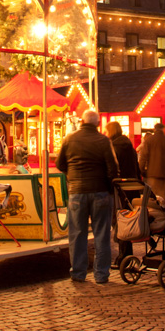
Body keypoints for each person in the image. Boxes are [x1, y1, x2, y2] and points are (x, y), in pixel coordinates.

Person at [56, 109, 119, 283]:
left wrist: (72, 176)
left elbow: (59, 163)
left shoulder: (69, 139)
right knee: (101, 234)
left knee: (77, 233)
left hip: (77, 192)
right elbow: (113, 168)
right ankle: (101, 274)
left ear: (82, 122)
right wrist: (106, 185)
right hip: (100, 192)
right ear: (97, 124)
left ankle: (78, 272)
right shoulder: (103, 141)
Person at [106, 120, 139, 261]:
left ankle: (124, 253)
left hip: (120, 188)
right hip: (133, 187)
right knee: (128, 218)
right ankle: (126, 251)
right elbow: (136, 167)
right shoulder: (129, 146)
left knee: (119, 219)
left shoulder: (114, 147)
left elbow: (112, 168)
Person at [138, 123, 165, 205]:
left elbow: (143, 157)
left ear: (154, 129)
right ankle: (163, 212)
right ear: (163, 129)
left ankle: (156, 214)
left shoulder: (149, 141)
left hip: (152, 173)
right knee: (163, 195)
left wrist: (141, 170)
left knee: (154, 196)